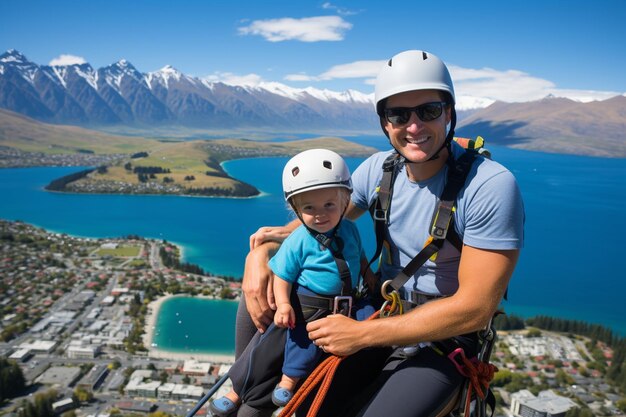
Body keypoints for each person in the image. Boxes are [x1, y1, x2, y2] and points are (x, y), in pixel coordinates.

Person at [239, 49, 525, 417]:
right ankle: (242, 397)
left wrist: (361, 336)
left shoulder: (489, 187)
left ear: (450, 113)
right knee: (259, 317)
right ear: (384, 123)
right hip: (377, 313)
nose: (414, 126)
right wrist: (260, 255)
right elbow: (314, 226)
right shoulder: (381, 170)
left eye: (429, 111)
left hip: (441, 341)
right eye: (399, 114)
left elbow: (474, 308)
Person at [210, 149, 377, 417]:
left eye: (329, 206)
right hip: (310, 305)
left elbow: (360, 256)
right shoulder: (299, 239)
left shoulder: (350, 229)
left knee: (373, 329)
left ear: (345, 202)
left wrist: (369, 275)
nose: (320, 215)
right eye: (309, 208)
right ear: (297, 210)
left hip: (348, 304)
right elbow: (283, 275)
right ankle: (249, 389)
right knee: (283, 343)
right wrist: (285, 304)